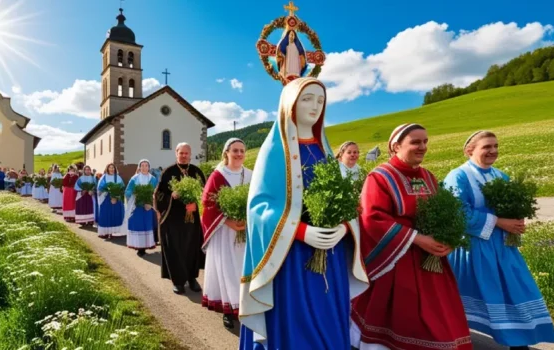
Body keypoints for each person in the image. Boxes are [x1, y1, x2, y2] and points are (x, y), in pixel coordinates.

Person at [239, 78, 368, 349]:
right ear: (289, 104)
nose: (315, 106)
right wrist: (301, 231)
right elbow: (259, 207)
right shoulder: (275, 149)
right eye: (307, 99)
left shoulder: (324, 149)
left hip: (329, 253)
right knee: (296, 322)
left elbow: (342, 199)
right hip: (291, 256)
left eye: (320, 101)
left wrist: (344, 227)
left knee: (329, 317)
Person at [350, 123, 472, 350]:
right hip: (397, 260)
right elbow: (372, 218)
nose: (423, 147)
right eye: (416, 142)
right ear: (396, 146)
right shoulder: (380, 177)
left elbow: (444, 211)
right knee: (409, 318)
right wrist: (417, 238)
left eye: (425, 141)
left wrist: (448, 239)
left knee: (440, 316)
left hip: (432, 261)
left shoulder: (428, 176)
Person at [445, 131, 554, 349]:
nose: (493, 151)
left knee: (515, 289)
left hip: (503, 247)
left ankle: (519, 341)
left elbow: (514, 206)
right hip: (473, 248)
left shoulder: (500, 176)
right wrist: (498, 221)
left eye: (496, 146)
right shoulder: (459, 176)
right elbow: (457, 213)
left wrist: (517, 220)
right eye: (487, 146)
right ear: (470, 150)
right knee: (479, 295)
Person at [201, 138, 252, 329]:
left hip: (246, 230)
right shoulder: (218, 175)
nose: (239, 154)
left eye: (242, 151)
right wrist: (229, 221)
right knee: (228, 270)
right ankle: (229, 310)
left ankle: (246, 306)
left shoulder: (251, 174)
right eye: (235, 151)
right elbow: (209, 203)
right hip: (225, 230)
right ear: (226, 153)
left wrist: (246, 219)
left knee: (245, 269)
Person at [154, 143, 206, 295]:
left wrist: (196, 205)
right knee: (176, 248)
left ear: (190, 154)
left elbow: (206, 194)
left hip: (192, 220)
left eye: (186, 153)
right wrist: (172, 196)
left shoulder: (197, 172)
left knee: (192, 247)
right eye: (181, 153)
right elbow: (158, 195)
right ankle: (178, 281)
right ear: (176, 153)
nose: (183, 155)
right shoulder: (167, 172)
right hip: (173, 219)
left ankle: (191, 278)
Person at [124, 159, 159, 257]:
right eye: (142, 165)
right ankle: (139, 247)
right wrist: (135, 196)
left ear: (149, 167)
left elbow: (156, 193)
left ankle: (146, 246)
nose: (144, 167)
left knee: (147, 226)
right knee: (138, 226)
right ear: (139, 167)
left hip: (148, 208)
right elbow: (128, 191)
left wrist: (150, 203)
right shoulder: (134, 179)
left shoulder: (153, 179)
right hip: (137, 207)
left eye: (146, 165)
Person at [97, 163, 126, 238]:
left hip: (116, 199)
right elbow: (100, 188)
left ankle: (113, 232)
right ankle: (105, 232)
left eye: (113, 168)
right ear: (107, 169)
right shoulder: (103, 177)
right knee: (106, 215)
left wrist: (115, 197)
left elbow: (121, 188)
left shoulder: (118, 177)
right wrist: (106, 192)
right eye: (110, 168)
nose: (111, 169)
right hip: (106, 198)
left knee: (115, 214)